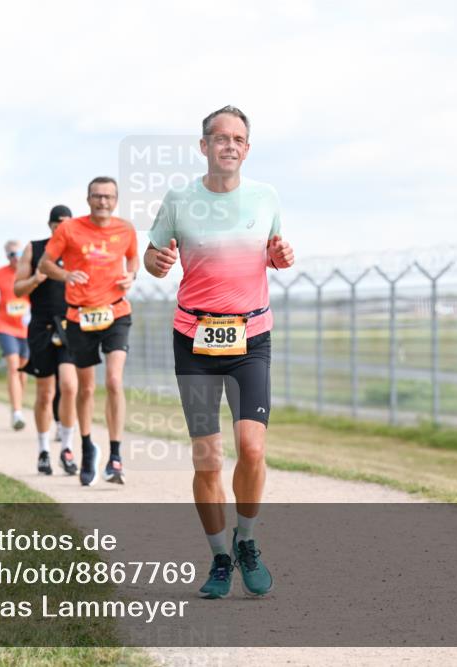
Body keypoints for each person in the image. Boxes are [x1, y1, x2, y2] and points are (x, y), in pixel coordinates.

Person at [144, 106, 294, 599]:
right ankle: (220, 558)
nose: (230, 145)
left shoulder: (265, 197)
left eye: (239, 139)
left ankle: (245, 539)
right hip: (194, 340)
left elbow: (273, 251)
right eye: (220, 137)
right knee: (207, 460)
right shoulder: (180, 199)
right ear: (203, 145)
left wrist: (280, 256)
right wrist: (158, 260)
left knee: (252, 448)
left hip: (250, 338)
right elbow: (152, 257)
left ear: (246, 149)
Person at [39, 177, 139, 486]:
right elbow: (45, 264)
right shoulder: (69, 229)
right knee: (85, 388)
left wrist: (131, 275)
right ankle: (86, 447)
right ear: (88, 199)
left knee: (113, 380)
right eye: (97, 196)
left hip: (116, 311)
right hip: (80, 316)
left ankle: (116, 455)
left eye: (108, 197)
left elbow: (133, 257)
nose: (103, 202)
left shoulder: (126, 229)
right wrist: (66, 274)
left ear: (116, 200)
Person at [14, 205, 79, 476]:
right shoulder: (35, 249)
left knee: (69, 385)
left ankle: (66, 447)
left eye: (66, 223)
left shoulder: (77, 249)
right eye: (57, 224)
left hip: (71, 324)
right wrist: (35, 279)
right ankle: (43, 450)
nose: (61, 228)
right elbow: (17, 288)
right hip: (41, 325)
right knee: (45, 392)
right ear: (50, 225)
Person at [0, 241, 31, 430]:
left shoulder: (29, 272)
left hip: (27, 329)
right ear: (6, 256)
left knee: (22, 372)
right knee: (13, 367)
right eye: (11, 254)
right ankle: (17, 412)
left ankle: (17, 403)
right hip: (5, 327)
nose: (15, 257)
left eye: (18, 253)